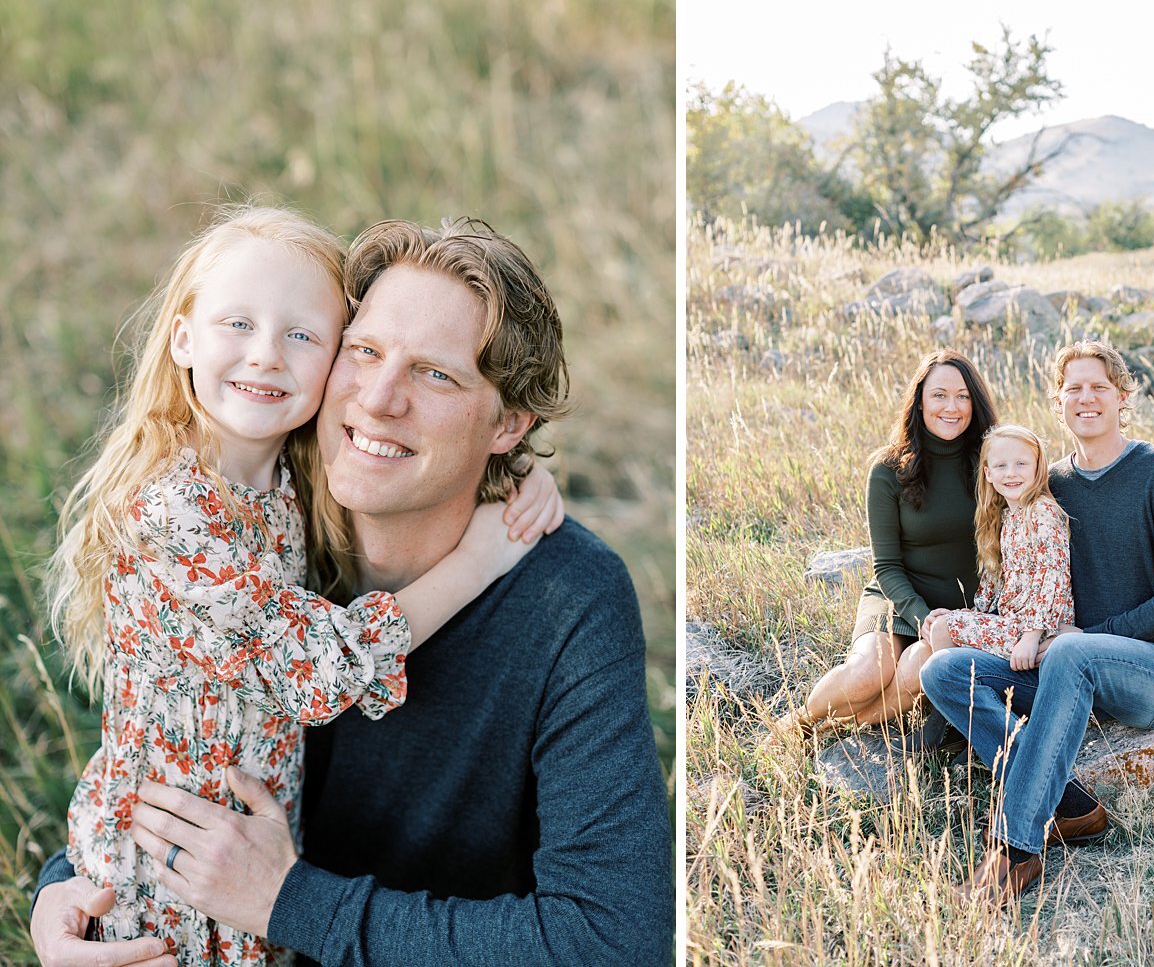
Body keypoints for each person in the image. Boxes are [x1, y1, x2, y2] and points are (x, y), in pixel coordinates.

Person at [32, 218, 673, 966]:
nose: (377, 398)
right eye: (363, 351)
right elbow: (164, 730)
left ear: (509, 423)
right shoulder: (259, 521)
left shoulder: (568, 599)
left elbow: (614, 942)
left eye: (435, 374)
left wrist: (288, 900)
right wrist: (64, 895)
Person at [921, 341, 1154, 905]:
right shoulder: (1046, 485)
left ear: (1123, 397)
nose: (1086, 397)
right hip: (1067, 671)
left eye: (1099, 386)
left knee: (1072, 654)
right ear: (1058, 402)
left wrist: (1091, 639)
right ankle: (1070, 804)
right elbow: (1024, 572)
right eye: (1073, 387)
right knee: (946, 672)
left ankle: (1017, 845)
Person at [775, 350, 996, 738]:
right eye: (939, 395)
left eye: (963, 396)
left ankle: (840, 728)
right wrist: (920, 616)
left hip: (959, 611)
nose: (952, 407)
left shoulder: (993, 463)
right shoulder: (889, 469)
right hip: (898, 598)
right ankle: (798, 725)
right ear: (920, 401)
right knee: (869, 671)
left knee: (916, 670)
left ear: (974, 403)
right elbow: (887, 566)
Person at [923, 424, 1073, 672]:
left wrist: (1032, 636)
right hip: (1013, 623)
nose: (1011, 473)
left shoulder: (1041, 512)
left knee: (943, 628)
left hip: (1039, 626)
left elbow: (1053, 576)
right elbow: (995, 579)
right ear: (988, 473)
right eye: (1001, 466)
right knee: (942, 622)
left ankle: (948, 704)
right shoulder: (1005, 517)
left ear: (1038, 467)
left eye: (1021, 464)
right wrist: (972, 612)